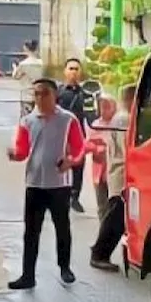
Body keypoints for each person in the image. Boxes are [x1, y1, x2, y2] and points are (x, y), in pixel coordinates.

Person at [7, 78, 88, 290]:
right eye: (37, 94)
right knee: (31, 231)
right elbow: (22, 150)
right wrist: (14, 155)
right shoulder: (27, 121)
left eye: (45, 94)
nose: (40, 98)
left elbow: (80, 147)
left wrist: (70, 161)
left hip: (59, 184)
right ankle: (28, 274)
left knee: (62, 227)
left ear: (55, 96)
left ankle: (65, 267)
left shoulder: (67, 120)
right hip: (34, 183)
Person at [90, 85, 133, 272]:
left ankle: (100, 252)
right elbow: (128, 151)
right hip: (122, 174)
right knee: (114, 218)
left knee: (117, 216)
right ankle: (99, 253)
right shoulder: (124, 119)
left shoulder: (120, 118)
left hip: (120, 174)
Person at [57, 57, 89, 213]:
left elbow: (92, 115)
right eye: (71, 69)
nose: (74, 72)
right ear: (65, 71)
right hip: (60, 135)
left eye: (77, 69)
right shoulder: (58, 92)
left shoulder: (86, 93)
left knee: (78, 166)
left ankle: (74, 197)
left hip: (78, 136)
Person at [86, 93, 118, 220]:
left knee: (114, 207)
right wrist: (97, 147)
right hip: (99, 173)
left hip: (114, 172)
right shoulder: (95, 124)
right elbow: (87, 144)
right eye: (102, 107)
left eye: (107, 107)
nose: (103, 110)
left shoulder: (118, 124)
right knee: (102, 206)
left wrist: (104, 145)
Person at [12, 40, 44, 115]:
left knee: (26, 118)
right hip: (40, 94)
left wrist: (14, 68)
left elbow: (16, 76)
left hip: (27, 95)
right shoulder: (42, 63)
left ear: (26, 49)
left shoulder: (23, 64)